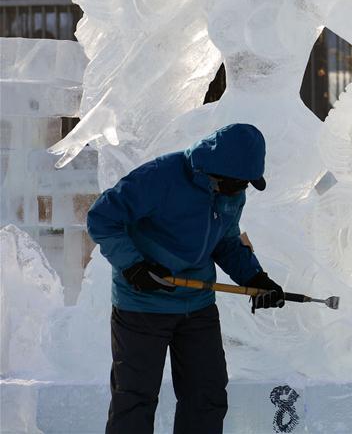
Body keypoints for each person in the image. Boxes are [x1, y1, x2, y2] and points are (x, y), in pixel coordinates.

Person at [87, 123, 285, 434]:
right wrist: (134, 267)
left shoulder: (233, 188)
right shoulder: (158, 177)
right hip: (142, 305)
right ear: (213, 173)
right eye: (236, 185)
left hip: (197, 305)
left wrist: (256, 278)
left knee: (207, 396)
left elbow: (226, 240)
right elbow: (101, 218)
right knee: (135, 400)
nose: (240, 191)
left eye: (245, 185)